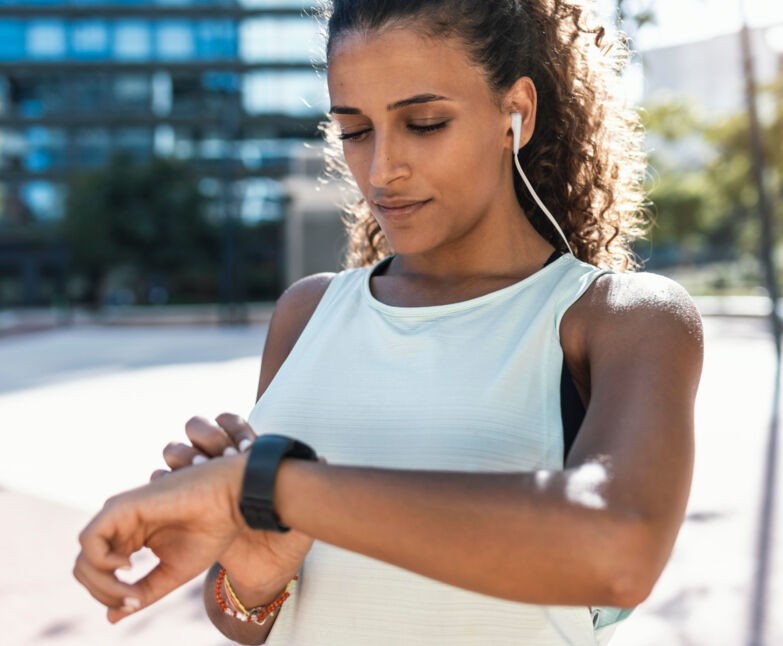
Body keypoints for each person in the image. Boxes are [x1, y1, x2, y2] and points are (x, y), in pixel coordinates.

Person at [73, 0, 704, 644]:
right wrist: (256, 573)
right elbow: (245, 620)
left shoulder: (619, 319)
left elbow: (619, 551)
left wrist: (271, 486)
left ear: (515, 110)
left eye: (424, 123)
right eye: (354, 130)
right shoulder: (308, 313)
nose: (381, 171)